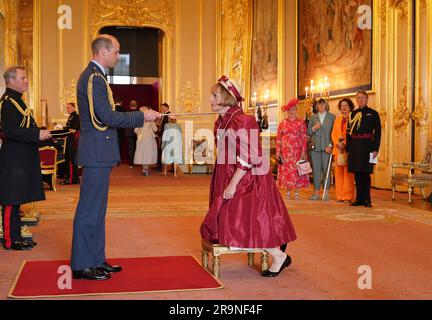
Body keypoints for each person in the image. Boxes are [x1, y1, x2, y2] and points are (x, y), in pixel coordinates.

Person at [71, 34, 160, 280]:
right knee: (90, 210)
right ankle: (81, 265)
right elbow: (106, 118)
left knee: (98, 210)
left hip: (100, 151)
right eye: (116, 52)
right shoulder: (92, 78)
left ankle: (96, 259)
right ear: (103, 52)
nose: (118, 56)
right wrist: (142, 116)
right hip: (96, 151)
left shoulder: (98, 77)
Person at [200, 75, 296, 277]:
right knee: (231, 214)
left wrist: (233, 184)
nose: (210, 99)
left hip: (248, 176)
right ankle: (275, 248)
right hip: (227, 172)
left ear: (227, 97)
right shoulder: (221, 121)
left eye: (214, 95)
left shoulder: (244, 120)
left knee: (246, 214)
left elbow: (250, 155)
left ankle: (278, 255)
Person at [0, 66, 52, 250]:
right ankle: (9, 239)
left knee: (17, 199)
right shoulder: (7, 102)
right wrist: (37, 135)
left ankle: (17, 236)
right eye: (23, 78)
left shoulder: (19, 102)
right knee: (10, 200)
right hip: (13, 158)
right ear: (11, 80)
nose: (27, 81)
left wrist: (45, 136)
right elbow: (10, 131)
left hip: (23, 157)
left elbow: (27, 129)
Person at [347, 91, 381, 207]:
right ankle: (359, 199)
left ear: (367, 99)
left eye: (362, 98)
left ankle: (367, 199)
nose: (360, 100)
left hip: (368, 146)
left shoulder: (373, 114)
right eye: (358, 98)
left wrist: (375, 149)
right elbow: (348, 132)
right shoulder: (353, 114)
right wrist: (348, 148)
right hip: (355, 146)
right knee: (357, 173)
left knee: (366, 173)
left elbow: (378, 133)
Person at [276, 98, 309, 200]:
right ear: (287, 111)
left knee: (297, 171)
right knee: (287, 172)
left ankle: (297, 192)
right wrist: (278, 151)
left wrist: (304, 151)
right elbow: (278, 138)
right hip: (285, 152)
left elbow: (304, 138)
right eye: (289, 110)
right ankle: (288, 191)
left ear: (296, 110)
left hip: (297, 152)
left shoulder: (301, 122)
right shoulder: (282, 123)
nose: (291, 112)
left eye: (293, 110)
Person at [307, 98, 336, 201]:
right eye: (319, 104)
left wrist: (330, 145)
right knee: (316, 170)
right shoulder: (313, 117)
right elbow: (308, 132)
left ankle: (326, 192)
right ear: (317, 106)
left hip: (326, 148)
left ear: (326, 105)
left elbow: (334, 133)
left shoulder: (332, 117)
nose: (321, 106)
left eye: (323, 104)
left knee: (326, 170)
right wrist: (314, 128)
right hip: (314, 148)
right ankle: (316, 193)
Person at [331, 98, 355, 203]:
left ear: (350, 107)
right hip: (338, 150)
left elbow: (352, 133)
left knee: (348, 173)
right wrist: (337, 143)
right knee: (339, 173)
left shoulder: (353, 118)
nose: (344, 107)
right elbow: (333, 133)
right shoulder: (337, 120)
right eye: (342, 106)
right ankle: (339, 195)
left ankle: (348, 196)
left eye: (346, 105)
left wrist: (344, 143)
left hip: (348, 149)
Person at [134, 106, 158, 176]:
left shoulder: (139, 120)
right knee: (148, 153)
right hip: (149, 139)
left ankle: (144, 168)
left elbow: (135, 130)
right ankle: (146, 168)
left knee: (142, 153)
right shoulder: (151, 120)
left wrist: (140, 132)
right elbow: (155, 129)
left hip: (141, 139)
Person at [61, 102, 80, 185]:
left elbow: (74, 129)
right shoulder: (71, 117)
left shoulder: (76, 117)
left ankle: (72, 179)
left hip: (73, 141)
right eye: (67, 107)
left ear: (73, 108)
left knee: (71, 159)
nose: (67, 109)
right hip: (70, 140)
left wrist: (64, 130)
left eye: (69, 107)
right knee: (69, 158)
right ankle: (72, 178)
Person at [156, 103, 171, 169]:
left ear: (166, 107)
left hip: (164, 135)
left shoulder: (168, 115)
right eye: (161, 108)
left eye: (162, 108)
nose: (161, 110)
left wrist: (159, 133)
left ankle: (160, 166)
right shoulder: (164, 115)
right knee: (160, 150)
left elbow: (166, 127)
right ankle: (159, 166)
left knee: (161, 150)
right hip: (162, 134)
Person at [125, 100, 138, 168]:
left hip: (129, 133)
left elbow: (124, 123)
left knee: (131, 148)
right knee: (138, 148)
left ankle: (131, 163)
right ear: (136, 105)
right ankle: (137, 162)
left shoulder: (126, 113)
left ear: (130, 105)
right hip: (138, 133)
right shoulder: (139, 113)